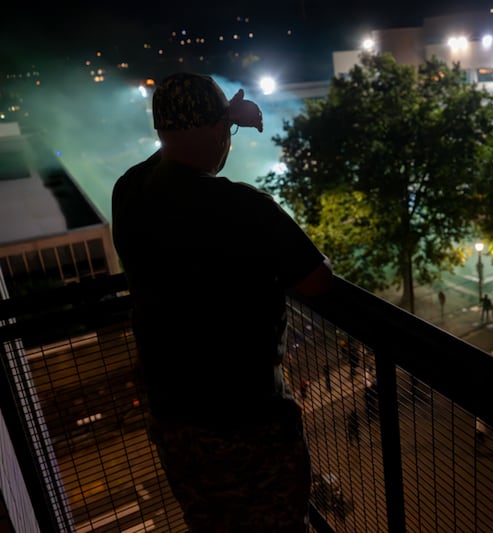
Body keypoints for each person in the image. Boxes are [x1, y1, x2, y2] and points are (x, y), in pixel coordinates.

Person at [111, 72, 333, 532]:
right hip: (248, 419)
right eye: (226, 131)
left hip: (174, 418)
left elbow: (165, 158)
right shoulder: (243, 208)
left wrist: (219, 117)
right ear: (217, 131)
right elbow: (316, 280)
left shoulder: (129, 192)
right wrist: (225, 118)